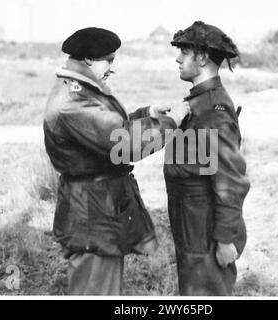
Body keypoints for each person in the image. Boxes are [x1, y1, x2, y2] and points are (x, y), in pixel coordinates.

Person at [43, 27, 190, 295]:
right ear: (88, 58)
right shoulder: (73, 101)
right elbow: (123, 144)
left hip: (97, 209)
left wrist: (147, 114)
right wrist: (172, 122)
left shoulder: (81, 91)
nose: (113, 67)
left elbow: (105, 131)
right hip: (91, 216)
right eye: (109, 59)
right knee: (97, 291)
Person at [164, 21, 250, 295]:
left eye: (184, 53)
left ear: (201, 58)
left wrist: (225, 239)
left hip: (205, 231)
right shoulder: (198, 102)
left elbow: (231, 180)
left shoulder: (214, 109)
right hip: (193, 226)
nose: (178, 58)